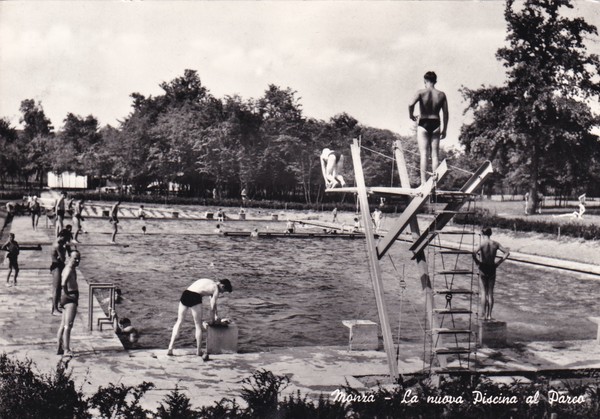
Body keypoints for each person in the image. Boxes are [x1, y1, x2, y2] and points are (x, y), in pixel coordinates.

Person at [167, 278, 233, 358]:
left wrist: (216, 317)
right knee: (198, 326)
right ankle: (198, 351)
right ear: (222, 286)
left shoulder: (209, 282)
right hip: (195, 296)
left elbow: (213, 304)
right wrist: (213, 321)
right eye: (224, 291)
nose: (222, 293)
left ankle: (170, 348)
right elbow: (212, 307)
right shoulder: (216, 289)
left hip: (185, 294)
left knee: (179, 321)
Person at [408, 71, 449, 185]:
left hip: (424, 123)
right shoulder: (441, 94)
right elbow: (446, 113)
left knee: (424, 154)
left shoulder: (421, 92)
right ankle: (434, 183)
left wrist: (411, 116)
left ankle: (423, 182)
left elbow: (410, 104)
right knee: (435, 155)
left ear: (425, 81)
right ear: (435, 81)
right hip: (436, 123)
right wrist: (445, 129)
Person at [472, 228, 510, 321]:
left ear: (482, 233)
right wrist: (498, 263)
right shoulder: (495, 244)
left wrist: (477, 262)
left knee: (483, 293)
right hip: (492, 268)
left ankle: (483, 315)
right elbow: (507, 252)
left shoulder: (482, 244)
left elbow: (473, 253)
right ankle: (489, 315)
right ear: (491, 233)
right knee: (490, 293)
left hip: (483, 268)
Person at [56, 250, 81, 356]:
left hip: (68, 298)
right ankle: (66, 349)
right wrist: (68, 295)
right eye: (75, 258)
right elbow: (63, 283)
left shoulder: (70, 268)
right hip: (70, 299)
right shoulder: (69, 269)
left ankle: (59, 347)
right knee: (68, 326)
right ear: (69, 257)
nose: (78, 260)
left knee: (63, 324)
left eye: (79, 258)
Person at [50, 235, 68, 314]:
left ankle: (57, 305)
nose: (65, 242)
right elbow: (63, 259)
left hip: (57, 265)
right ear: (61, 236)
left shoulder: (56, 243)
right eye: (64, 240)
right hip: (57, 266)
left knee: (59, 288)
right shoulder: (58, 245)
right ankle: (54, 309)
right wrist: (64, 249)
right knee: (56, 289)